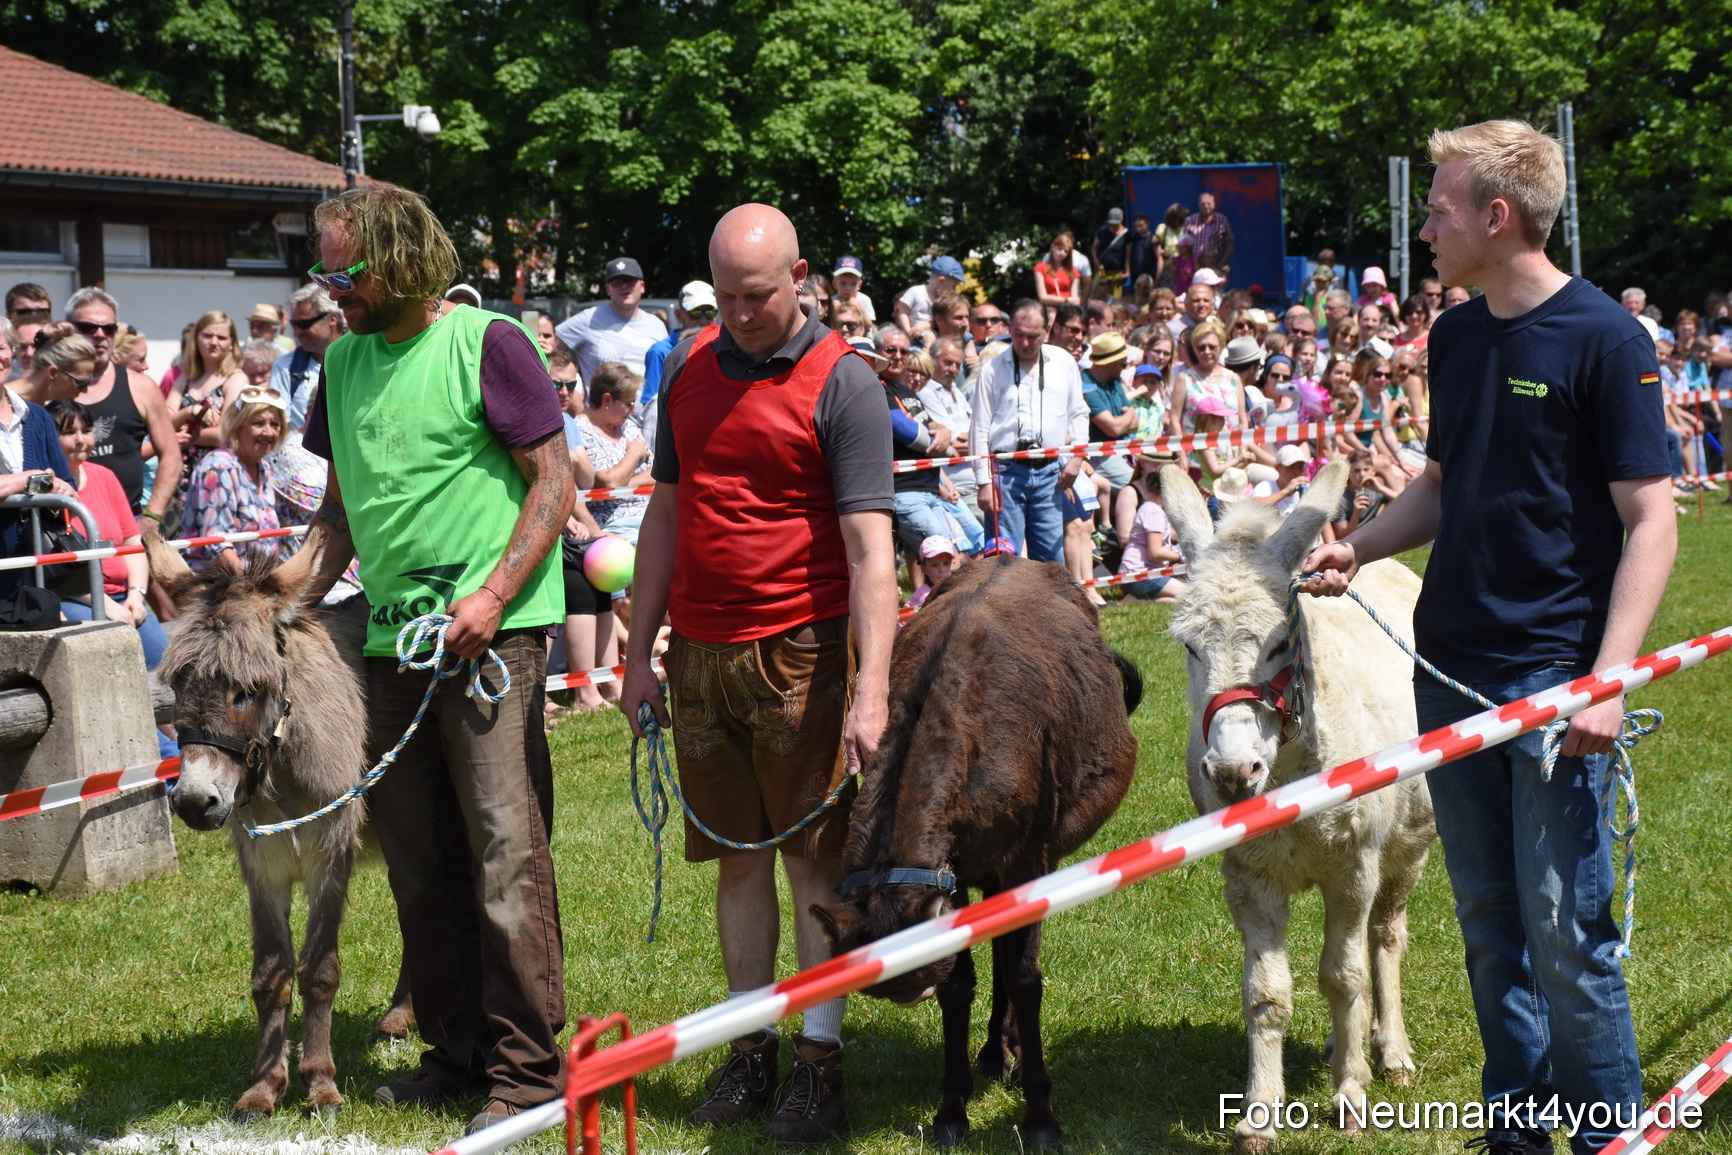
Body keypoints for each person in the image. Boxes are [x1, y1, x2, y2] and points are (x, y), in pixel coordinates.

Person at [1301, 120, 1676, 1155]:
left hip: (1555, 680)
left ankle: (1605, 1133)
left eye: (1437, 207)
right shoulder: (1455, 336)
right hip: (1447, 668)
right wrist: (1357, 544)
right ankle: (1516, 1126)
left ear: (1495, 217)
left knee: (1567, 934)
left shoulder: (1605, 337)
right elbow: (1439, 484)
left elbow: (1652, 519)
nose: (1425, 227)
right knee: (1485, 922)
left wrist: (1609, 681)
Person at [298, 185, 574, 1137]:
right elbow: (338, 515)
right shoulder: (338, 364)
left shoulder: (489, 343)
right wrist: (279, 601)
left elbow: (555, 476)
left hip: (494, 637)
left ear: (405, 260)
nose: (335, 290)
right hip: (391, 643)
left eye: (348, 270)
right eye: (324, 271)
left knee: (505, 854)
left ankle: (531, 1066)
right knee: (418, 863)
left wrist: (493, 596)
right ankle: (456, 1051)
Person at [618, 202, 896, 1144]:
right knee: (737, 861)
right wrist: (637, 652)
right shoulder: (688, 366)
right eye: (727, 295)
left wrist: (870, 691)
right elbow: (664, 515)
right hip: (699, 653)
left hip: (803, 651)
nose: (740, 312)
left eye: (760, 294)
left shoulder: (843, 382)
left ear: (802, 277)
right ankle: (750, 1046)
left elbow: (872, 553)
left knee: (812, 858)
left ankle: (820, 1062)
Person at [44, 398, 178, 756]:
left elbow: (133, 541)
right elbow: (56, 569)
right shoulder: (47, 491)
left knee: (168, 665)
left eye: (85, 430)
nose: (81, 440)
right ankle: (165, 759)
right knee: (119, 662)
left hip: (126, 598)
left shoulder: (106, 477)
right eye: (68, 432)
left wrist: (136, 594)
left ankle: (182, 745)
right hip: (75, 600)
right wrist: (103, 603)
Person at [971, 299, 1090, 561]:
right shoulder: (992, 368)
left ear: (1047, 331)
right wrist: (983, 482)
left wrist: (1077, 458)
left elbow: (1079, 412)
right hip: (1005, 472)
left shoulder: (1064, 362)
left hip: (1051, 471)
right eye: (1018, 335)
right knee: (1004, 560)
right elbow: (978, 428)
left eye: (1033, 336)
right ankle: (1004, 604)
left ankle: (1048, 604)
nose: (1025, 343)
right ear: (1009, 328)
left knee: (1051, 562)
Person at [63, 287, 180, 520]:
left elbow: (172, 456)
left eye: (109, 329)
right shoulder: (52, 384)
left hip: (127, 522)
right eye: (88, 328)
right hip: (65, 522)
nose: (99, 335)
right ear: (69, 330)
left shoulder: (141, 387)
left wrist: (152, 516)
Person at [181, 389, 289, 571]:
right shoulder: (220, 467)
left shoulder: (263, 467)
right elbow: (218, 547)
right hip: (221, 586)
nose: (268, 432)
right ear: (237, 427)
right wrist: (252, 590)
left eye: (275, 424)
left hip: (259, 583)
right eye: (258, 423)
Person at [167, 311, 248, 515]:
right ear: (196, 339)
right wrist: (191, 410)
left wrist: (180, 436)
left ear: (232, 343)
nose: (214, 342)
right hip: (177, 475)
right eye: (207, 335)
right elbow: (162, 424)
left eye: (221, 337)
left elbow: (224, 434)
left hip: (216, 475)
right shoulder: (185, 379)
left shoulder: (235, 379)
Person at [555, 256, 669, 380]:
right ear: (608, 289)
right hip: (602, 399)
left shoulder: (657, 325)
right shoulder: (589, 319)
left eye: (630, 280)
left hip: (648, 399)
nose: (624, 286)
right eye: (617, 282)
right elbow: (548, 347)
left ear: (642, 286)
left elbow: (667, 370)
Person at [270, 283, 343, 435]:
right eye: (294, 324)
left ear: (332, 319)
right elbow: (279, 424)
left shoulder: (361, 359)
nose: (296, 333)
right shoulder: (285, 367)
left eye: (303, 324)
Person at [1115, 458, 1187, 602]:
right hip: (1139, 575)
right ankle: (1139, 600)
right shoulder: (1153, 512)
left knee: (1185, 595)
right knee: (1190, 596)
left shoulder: (1152, 509)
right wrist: (1181, 556)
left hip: (1140, 575)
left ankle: (1135, 600)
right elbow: (1155, 553)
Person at [893, 255, 965, 341]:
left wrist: (923, 326)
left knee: (929, 337)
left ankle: (926, 353)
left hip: (929, 333)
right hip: (910, 333)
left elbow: (937, 321)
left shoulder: (943, 302)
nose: (955, 290)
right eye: (954, 286)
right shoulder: (916, 291)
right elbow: (903, 312)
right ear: (941, 281)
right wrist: (908, 331)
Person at [1183, 192, 1234, 280]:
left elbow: (1230, 243)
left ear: (1214, 204)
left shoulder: (1222, 220)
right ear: (1199, 205)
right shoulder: (1190, 220)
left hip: (1214, 265)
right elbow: (1184, 244)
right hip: (1194, 266)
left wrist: (1222, 262)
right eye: (1203, 204)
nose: (1206, 206)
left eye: (1208, 203)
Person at [903, 534, 956, 611]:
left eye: (946, 563)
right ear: (924, 569)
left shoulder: (955, 586)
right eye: (935, 565)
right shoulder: (926, 597)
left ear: (953, 564)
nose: (942, 570)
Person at [1034, 230, 1083, 308]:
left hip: (1067, 310)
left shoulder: (1073, 271)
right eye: (1060, 249)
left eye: (1066, 251)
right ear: (1052, 247)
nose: (1062, 253)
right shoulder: (1040, 268)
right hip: (1048, 309)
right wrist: (1066, 300)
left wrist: (1069, 301)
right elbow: (1042, 297)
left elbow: (1075, 299)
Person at [1092, 207, 1131, 296]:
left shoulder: (1126, 235)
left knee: (1115, 301)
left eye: (1116, 224)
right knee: (1098, 296)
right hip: (1102, 270)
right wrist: (1096, 261)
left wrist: (1127, 272)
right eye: (1111, 224)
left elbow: (1128, 256)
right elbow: (1094, 247)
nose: (1113, 227)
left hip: (1117, 273)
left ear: (1121, 221)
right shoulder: (1102, 231)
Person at [830, 255, 876, 327]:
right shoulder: (832, 301)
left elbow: (870, 326)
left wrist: (860, 309)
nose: (848, 288)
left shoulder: (864, 300)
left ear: (859, 285)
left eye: (853, 284)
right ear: (834, 284)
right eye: (843, 283)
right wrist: (833, 312)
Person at [1152, 204, 1186, 289]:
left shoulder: (1184, 229)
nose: (1178, 222)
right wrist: (1158, 278)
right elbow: (1159, 255)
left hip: (1182, 269)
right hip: (1168, 269)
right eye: (1176, 219)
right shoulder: (1163, 228)